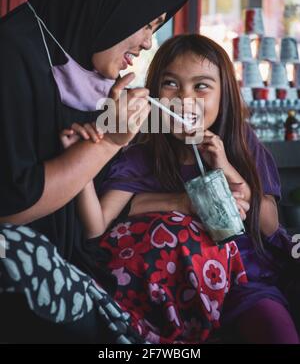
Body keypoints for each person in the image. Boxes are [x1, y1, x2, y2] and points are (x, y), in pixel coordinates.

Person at [0, 0, 188, 342]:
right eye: (145, 23)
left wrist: (106, 126)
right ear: (105, 4)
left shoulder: (73, 73)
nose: (147, 42)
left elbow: (88, 221)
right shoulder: (10, 56)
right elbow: (12, 206)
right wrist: (109, 140)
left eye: (155, 29)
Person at [64, 34, 299, 343]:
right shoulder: (140, 154)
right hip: (172, 298)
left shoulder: (240, 143)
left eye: (201, 86)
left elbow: (270, 223)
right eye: (171, 84)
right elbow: (97, 227)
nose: (184, 99)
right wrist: (78, 164)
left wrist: (224, 166)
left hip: (245, 286)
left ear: (224, 95)